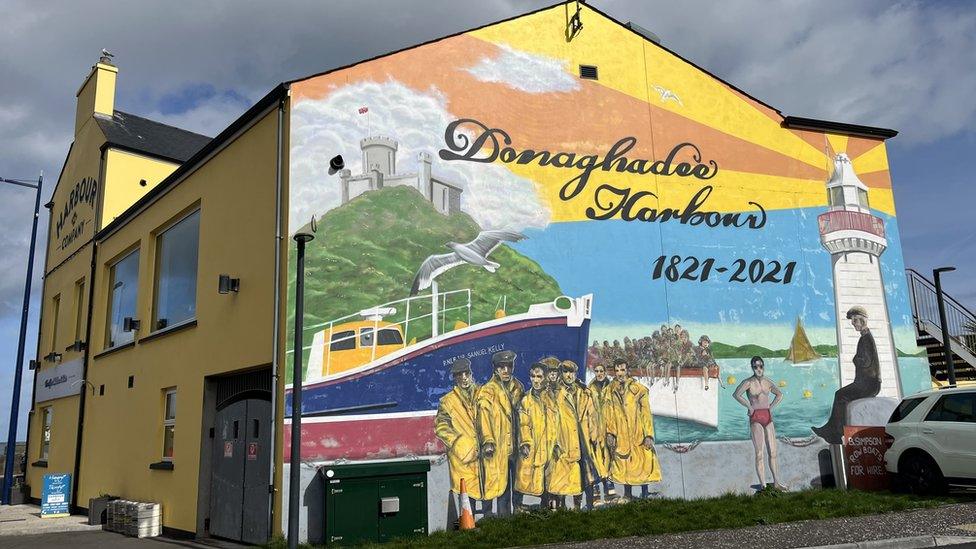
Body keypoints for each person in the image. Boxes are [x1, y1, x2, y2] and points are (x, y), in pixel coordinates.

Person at [813, 306, 881, 444]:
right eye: (852, 321)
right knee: (841, 394)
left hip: (868, 384)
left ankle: (835, 433)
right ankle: (832, 430)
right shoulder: (866, 337)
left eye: (855, 320)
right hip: (868, 383)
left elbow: (865, 361)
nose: (853, 323)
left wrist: (855, 359)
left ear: (861, 320)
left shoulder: (866, 338)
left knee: (840, 395)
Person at [605, 358, 661, 500]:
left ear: (627, 371)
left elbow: (646, 413)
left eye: (622, 370)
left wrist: (648, 434)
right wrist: (610, 432)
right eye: (617, 370)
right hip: (621, 434)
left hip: (638, 433)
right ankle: (627, 494)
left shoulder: (639, 389)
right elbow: (608, 412)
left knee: (643, 462)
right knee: (624, 463)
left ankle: (645, 493)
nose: (619, 373)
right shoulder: (610, 390)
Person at [477, 349, 524, 515]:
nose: (506, 370)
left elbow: (524, 417)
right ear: (496, 369)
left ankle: (517, 512)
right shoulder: (488, 391)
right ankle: (504, 519)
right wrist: (488, 441)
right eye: (502, 367)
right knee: (502, 486)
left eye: (509, 366)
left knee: (519, 483)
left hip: (516, 447)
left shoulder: (518, 387)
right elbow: (483, 417)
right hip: (499, 447)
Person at [549, 360, 600, 509]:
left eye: (571, 372)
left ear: (575, 374)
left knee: (587, 475)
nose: (568, 375)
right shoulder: (556, 395)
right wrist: (555, 443)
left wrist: (594, 436)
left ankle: (585, 506)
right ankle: (563, 507)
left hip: (583, 440)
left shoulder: (583, 392)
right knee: (565, 476)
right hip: (566, 441)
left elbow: (592, 416)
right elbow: (552, 421)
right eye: (565, 372)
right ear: (561, 374)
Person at [434, 358, 485, 506]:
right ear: (455, 378)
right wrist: (459, 443)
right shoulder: (447, 401)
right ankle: (467, 526)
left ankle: (490, 524)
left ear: (471, 374)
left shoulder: (483, 393)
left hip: (485, 456)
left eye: (466, 373)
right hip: (463, 458)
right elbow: (441, 426)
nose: (464, 378)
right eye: (459, 375)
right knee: (467, 498)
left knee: (488, 493)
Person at [733, 356, 786, 491]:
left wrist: (771, 407)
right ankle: (763, 485)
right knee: (759, 453)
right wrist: (749, 407)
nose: (758, 369)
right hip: (756, 417)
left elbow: (779, 395)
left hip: (767, 416)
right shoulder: (748, 383)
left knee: (773, 452)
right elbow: (736, 394)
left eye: (761, 366)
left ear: (763, 367)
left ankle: (776, 482)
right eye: (756, 366)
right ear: (752, 367)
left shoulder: (768, 382)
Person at [515, 363, 555, 509]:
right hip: (533, 445)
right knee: (525, 478)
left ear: (545, 378)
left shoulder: (552, 398)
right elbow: (523, 423)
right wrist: (525, 442)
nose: (536, 380)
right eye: (533, 376)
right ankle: (519, 507)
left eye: (539, 376)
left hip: (550, 445)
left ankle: (547, 506)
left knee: (549, 479)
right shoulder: (526, 400)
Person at [587, 362, 616, 505]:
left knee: (609, 458)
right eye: (596, 371)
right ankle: (597, 489)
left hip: (608, 428)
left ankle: (610, 489)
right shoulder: (590, 389)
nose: (599, 373)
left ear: (605, 372)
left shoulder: (610, 387)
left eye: (601, 371)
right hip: (595, 429)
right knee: (596, 459)